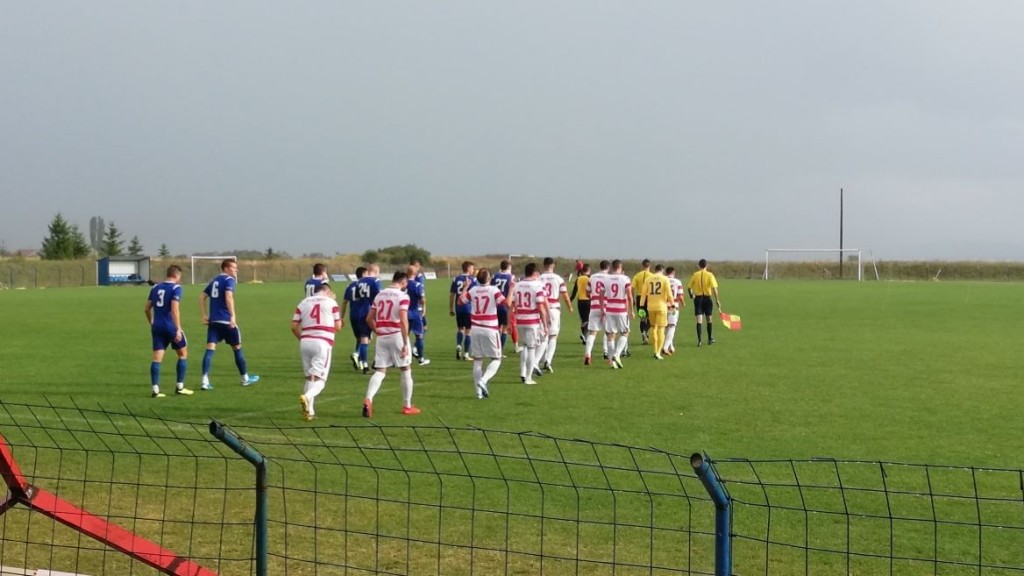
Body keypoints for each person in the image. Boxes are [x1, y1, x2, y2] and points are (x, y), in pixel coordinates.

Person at [362, 271, 420, 418]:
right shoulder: (402, 296)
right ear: (403, 282)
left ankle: (368, 398)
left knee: (380, 371)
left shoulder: (380, 295)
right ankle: (407, 406)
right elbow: (403, 320)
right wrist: (406, 342)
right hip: (396, 335)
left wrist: (378, 331)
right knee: (405, 369)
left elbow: (369, 319)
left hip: (382, 336)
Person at [199, 259, 259, 389]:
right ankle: (245, 379)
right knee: (237, 348)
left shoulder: (215, 280)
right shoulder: (229, 280)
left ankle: (204, 381)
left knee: (210, 349)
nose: (236, 270)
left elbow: (202, 296)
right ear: (226, 268)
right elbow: (228, 297)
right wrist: (233, 316)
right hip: (226, 321)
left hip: (214, 321)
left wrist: (204, 314)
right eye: (233, 267)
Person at [292, 282, 341, 421]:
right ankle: (306, 397)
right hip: (322, 342)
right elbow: (338, 326)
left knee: (310, 377)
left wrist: (302, 338)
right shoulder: (331, 302)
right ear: (327, 292)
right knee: (320, 379)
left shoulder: (303, 302)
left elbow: (294, 326)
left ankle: (310, 411)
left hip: (305, 342)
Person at [144, 265, 193, 398]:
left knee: (156, 359)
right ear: (177, 276)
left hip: (157, 327)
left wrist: (152, 322)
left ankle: (155, 390)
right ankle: (180, 387)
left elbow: (147, 309)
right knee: (183, 353)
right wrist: (178, 329)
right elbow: (175, 309)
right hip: (170, 326)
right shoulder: (176, 288)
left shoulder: (155, 288)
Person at [464, 269, 505, 399]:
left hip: (475, 328)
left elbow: (460, 301)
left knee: (478, 360)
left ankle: (478, 392)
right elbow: (505, 303)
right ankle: (484, 380)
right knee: (496, 359)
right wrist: (511, 290)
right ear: (489, 278)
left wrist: (465, 287)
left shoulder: (473, 290)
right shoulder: (494, 290)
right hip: (490, 328)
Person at [509, 262, 550, 385]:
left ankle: (522, 372)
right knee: (531, 348)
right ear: (535, 273)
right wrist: (545, 323)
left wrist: (508, 322)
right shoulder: (538, 285)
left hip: (520, 319)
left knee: (525, 346)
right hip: (532, 321)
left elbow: (512, 305)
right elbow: (541, 307)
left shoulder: (517, 285)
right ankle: (528, 377)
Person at [538, 257, 573, 373]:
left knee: (543, 335)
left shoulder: (539, 278)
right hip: (553, 309)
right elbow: (565, 295)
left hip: (541, 308)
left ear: (544, 266)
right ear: (553, 266)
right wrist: (570, 307)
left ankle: (541, 360)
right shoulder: (558, 278)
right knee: (553, 336)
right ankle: (548, 360)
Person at [601, 259, 634, 369]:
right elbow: (629, 296)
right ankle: (617, 354)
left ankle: (612, 361)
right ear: (621, 267)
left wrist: (602, 309)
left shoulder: (606, 278)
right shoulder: (625, 279)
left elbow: (601, 294)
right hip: (621, 309)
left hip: (609, 309)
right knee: (625, 333)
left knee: (610, 335)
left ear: (612, 267)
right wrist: (632, 310)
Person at [353, 264, 382, 373]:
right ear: (376, 271)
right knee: (381, 336)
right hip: (373, 312)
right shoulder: (376, 281)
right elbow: (380, 296)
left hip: (361, 311)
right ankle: (377, 361)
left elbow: (356, 297)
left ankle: (364, 364)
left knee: (364, 338)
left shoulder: (359, 282)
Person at [640, 264, 673, 360]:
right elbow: (669, 293)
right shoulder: (665, 279)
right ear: (662, 270)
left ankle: (655, 350)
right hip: (661, 306)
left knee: (653, 328)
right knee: (661, 329)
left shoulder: (648, 279)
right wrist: (673, 304)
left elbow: (643, 294)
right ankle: (658, 351)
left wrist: (642, 306)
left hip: (651, 306)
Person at [687, 258, 722, 347]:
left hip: (698, 299)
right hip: (707, 298)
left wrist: (691, 296)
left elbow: (689, 287)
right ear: (707, 265)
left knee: (699, 320)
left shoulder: (695, 275)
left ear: (699, 266)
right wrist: (717, 300)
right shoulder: (710, 275)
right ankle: (709, 338)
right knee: (709, 318)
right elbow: (714, 288)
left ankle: (699, 341)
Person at [583, 260, 611, 365]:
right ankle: (608, 355)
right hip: (606, 306)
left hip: (594, 306)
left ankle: (588, 354)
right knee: (609, 332)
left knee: (592, 332)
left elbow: (587, 292)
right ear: (608, 268)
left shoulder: (592, 277)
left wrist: (592, 298)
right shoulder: (609, 278)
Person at [339, 266, 366, 370]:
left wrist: (341, 317)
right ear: (363, 275)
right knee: (366, 339)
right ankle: (358, 355)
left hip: (353, 315)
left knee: (359, 339)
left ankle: (358, 360)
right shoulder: (365, 286)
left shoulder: (349, 286)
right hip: (363, 315)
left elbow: (344, 302)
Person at [449, 261, 476, 360]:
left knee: (460, 329)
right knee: (468, 331)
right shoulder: (473, 280)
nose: (473, 270)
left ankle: (458, 345)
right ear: (468, 269)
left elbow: (452, 294)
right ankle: (466, 354)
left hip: (458, 308)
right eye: (472, 268)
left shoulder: (455, 279)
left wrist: (451, 308)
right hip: (469, 308)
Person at [405, 264, 431, 366]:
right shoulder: (417, 285)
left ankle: (400, 358)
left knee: (403, 336)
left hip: (404, 313)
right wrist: (424, 309)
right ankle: (421, 358)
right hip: (415, 313)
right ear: (415, 274)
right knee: (419, 335)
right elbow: (422, 299)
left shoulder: (402, 285)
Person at [490, 260, 516, 353]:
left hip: (495, 305)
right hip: (505, 304)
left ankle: (494, 348)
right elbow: (513, 291)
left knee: (496, 328)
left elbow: (490, 288)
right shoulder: (511, 277)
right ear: (509, 267)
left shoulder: (494, 276)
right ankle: (500, 350)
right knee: (504, 329)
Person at [663, 267, 685, 355]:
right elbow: (680, 295)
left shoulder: (663, 280)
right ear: (674, 273)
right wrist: (683, 303)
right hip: (673, 306)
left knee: (667, 326)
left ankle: (670, 346)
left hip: (663, 306)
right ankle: (665, 347)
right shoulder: (677, 281)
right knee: (672, 326)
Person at [631, 259, 653, 345]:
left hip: (640, 298)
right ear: (649, 266)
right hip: (649, 298)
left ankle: (643, 333)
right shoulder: (652, 276)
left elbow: (632, 288)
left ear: (642, 266)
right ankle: (645, 331)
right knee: (650, 318)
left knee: (642, 318)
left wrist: (632, 298)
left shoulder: (637, 276)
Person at [570, 264, 591, 344]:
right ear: (589, 270)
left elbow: (574, 291)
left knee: (583, 320)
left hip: (580, 302)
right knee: (587, 320)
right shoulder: (590, 279)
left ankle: (584, 336)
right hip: (588, 301)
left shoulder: (578, 279)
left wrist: (570, 301)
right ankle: (585, 336)